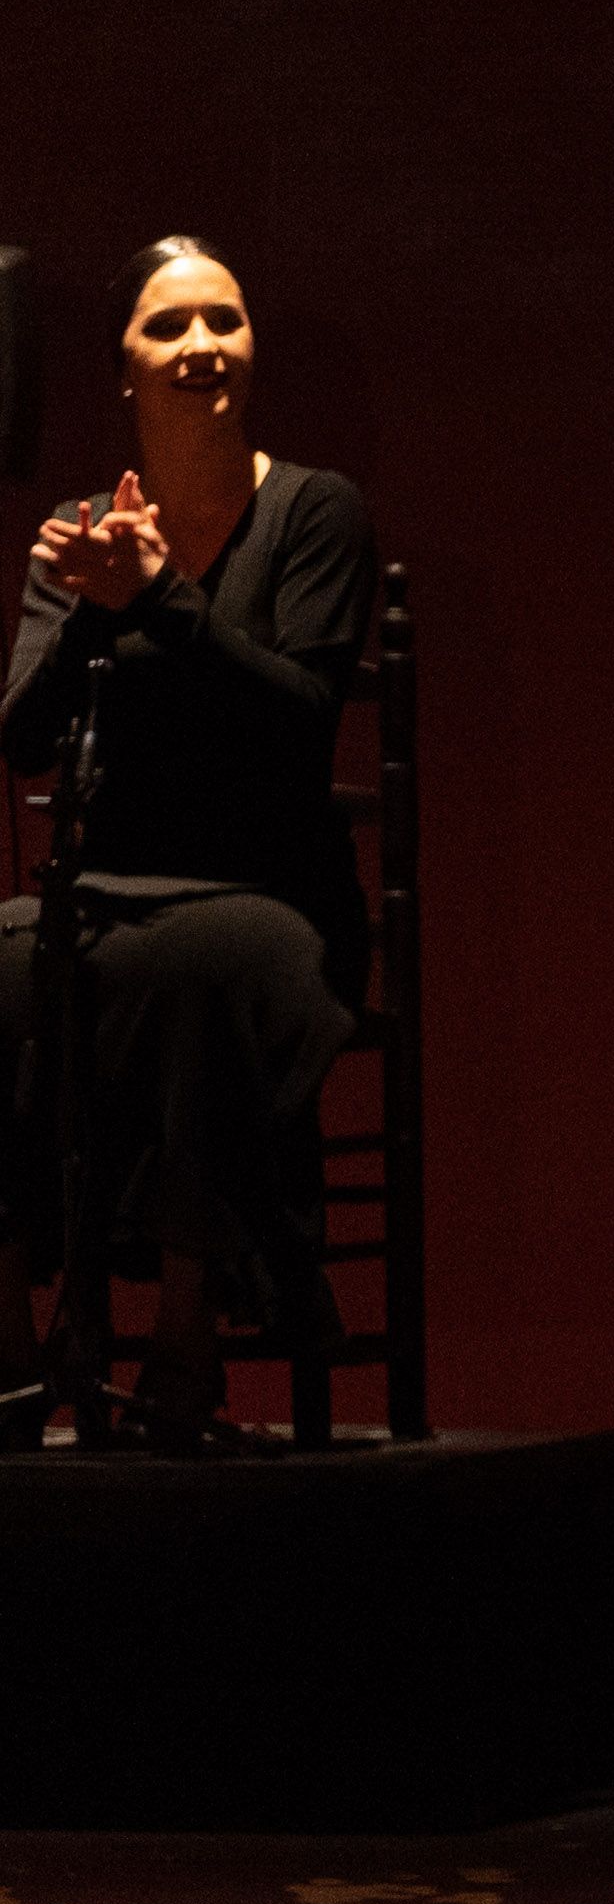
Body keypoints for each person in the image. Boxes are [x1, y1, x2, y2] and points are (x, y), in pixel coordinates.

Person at [0, 236, 376, 1449]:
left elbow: (302, 719)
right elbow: (22, 741)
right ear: (123, 369)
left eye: (225, 319)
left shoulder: (314, 510)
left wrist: (161, 601)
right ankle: (11, 1343)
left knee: (204, 961)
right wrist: (90, 611)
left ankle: (182, 1336)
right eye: (168, 327)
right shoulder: (79, 528)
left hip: (274, 893)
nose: (202, 345)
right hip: (109, 892)